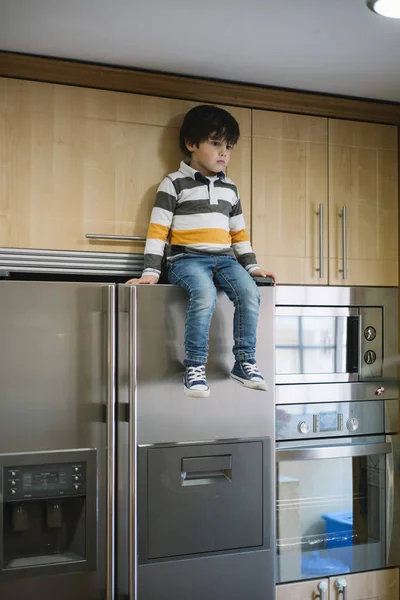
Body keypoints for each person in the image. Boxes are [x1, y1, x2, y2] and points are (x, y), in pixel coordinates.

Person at [127, 104, 275, 398]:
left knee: (250, 293)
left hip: (224, 260)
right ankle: (194, 367)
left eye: (229, 147)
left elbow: (239, 235)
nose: (224, 153)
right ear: (191, 144)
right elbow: (158, 230)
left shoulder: (230, 189)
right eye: (216, 143)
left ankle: (244, 363)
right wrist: (151, 272)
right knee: (204, 294)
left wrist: (253, 267)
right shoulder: (174, 183)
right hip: (186, 259)